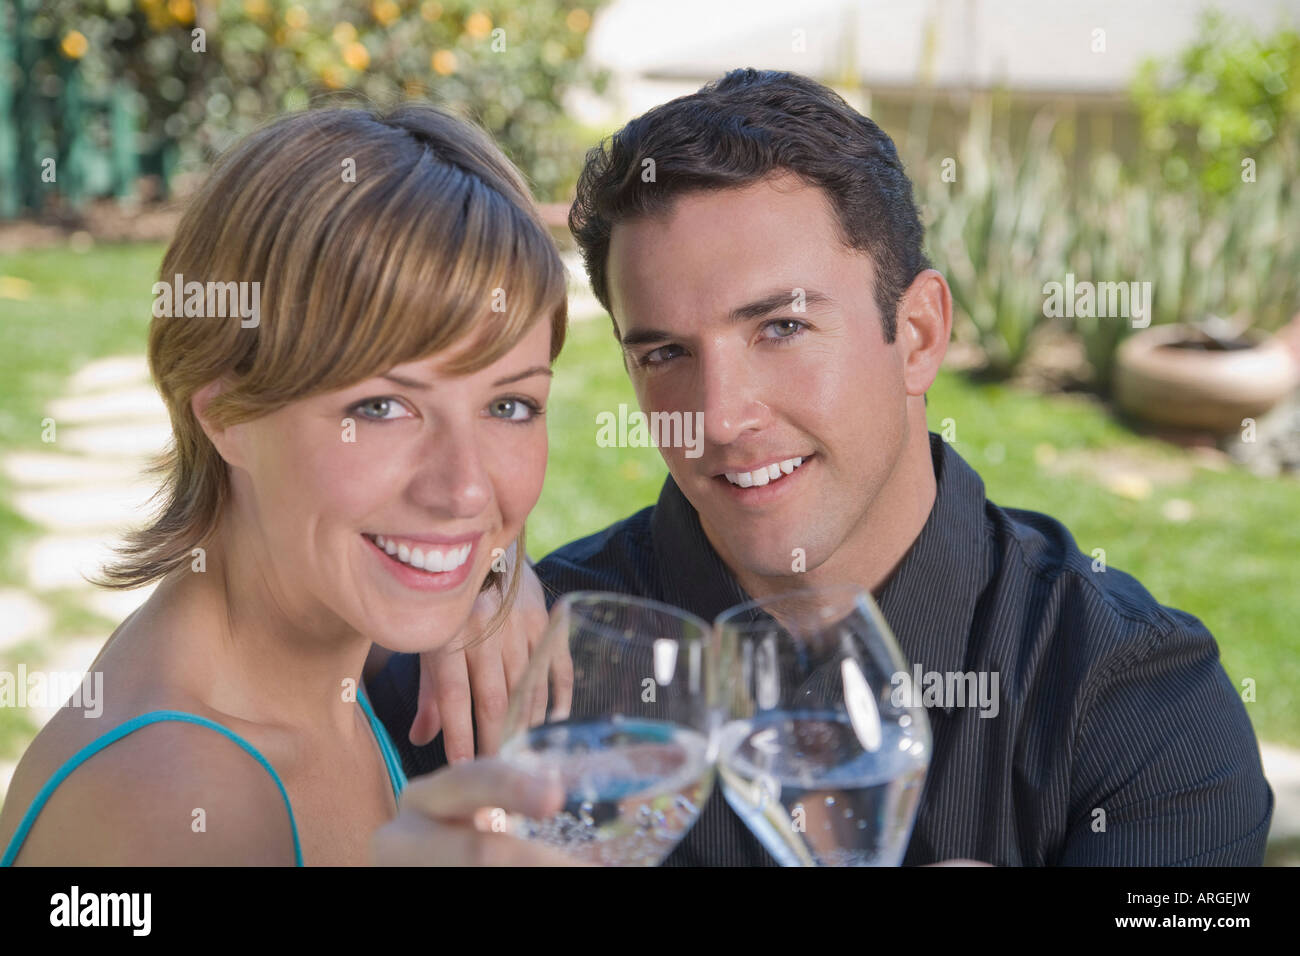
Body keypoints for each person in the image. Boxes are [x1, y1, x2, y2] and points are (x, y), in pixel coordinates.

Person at [368, 69, 1275, 866]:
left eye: (782, 328)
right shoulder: (495, 678)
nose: (720, 418)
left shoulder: (1143, 705)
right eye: (664, 354)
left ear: (917, 335)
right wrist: (455, 583)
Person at [0, 103, 576, 866]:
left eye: (509, 405)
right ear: (228, 415)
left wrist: (495, 572)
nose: (465, 489)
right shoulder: (181, 807)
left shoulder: (308, 640)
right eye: (381, 407)